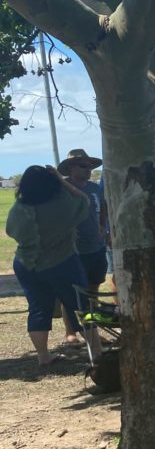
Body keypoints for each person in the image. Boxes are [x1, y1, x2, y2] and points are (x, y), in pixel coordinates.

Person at [5, 166, 101, 365]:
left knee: (38, 308)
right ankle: (97, 350)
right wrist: (62, 180)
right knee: (83, 306)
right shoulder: (62, 203)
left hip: (26, 264)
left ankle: (43, 356)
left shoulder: (19, 208)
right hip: (62, 261)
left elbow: (11, 232)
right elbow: (85, 201)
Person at [57, 149, 106, 346]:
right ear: (70, 167)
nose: (88, 170)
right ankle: (71, 332)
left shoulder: (95, 188)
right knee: (72, 293)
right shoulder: (62, 187)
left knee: (92, 291)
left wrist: (103, 227)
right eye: (83, 166)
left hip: (97, 247)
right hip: (73, 250)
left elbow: (103, 208)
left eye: (90, 166)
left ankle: (90, 330)